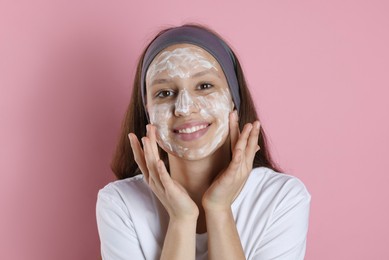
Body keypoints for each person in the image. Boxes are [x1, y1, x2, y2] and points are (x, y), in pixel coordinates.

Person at [96, 24, 311, 260]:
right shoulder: (120, 203)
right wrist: (182, 219)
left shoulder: (282, 198)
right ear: (148, 111)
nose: (185, 108)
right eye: (164, 93)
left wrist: (219, 210)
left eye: (204, 86)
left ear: (233, 99)